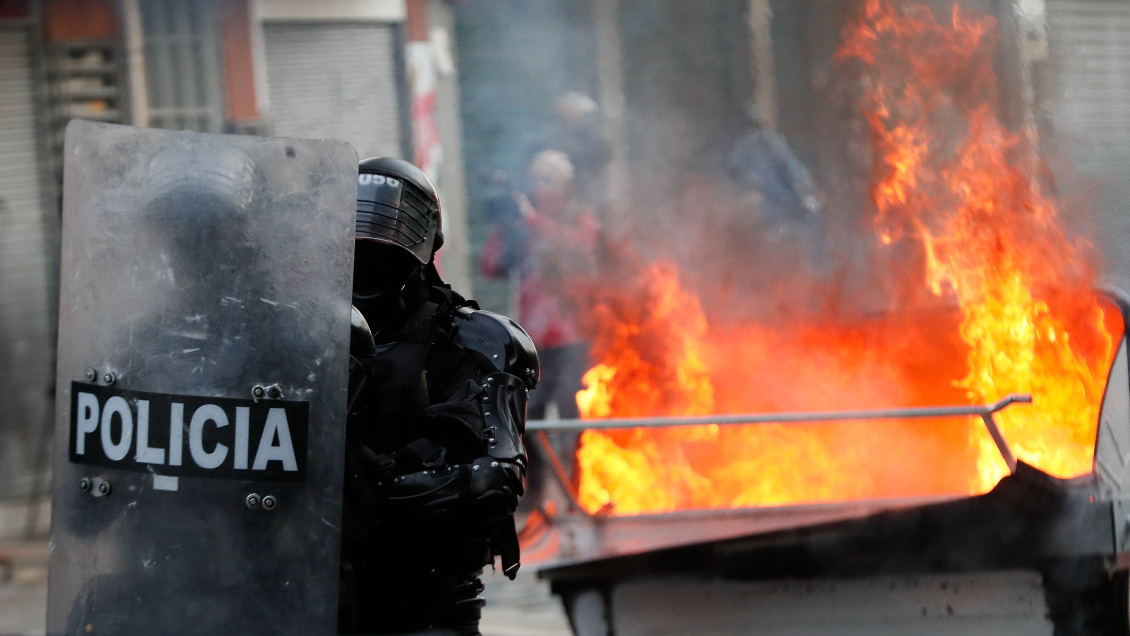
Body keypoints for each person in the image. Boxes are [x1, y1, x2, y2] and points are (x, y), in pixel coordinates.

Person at [340, 157, 539, 636]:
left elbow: (493, 477)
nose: (367, 268)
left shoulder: (473, 340)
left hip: (423, 602)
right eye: (357, 253)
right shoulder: (297, 334)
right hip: (304, 589)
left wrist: (366, 490)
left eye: (383, 256)